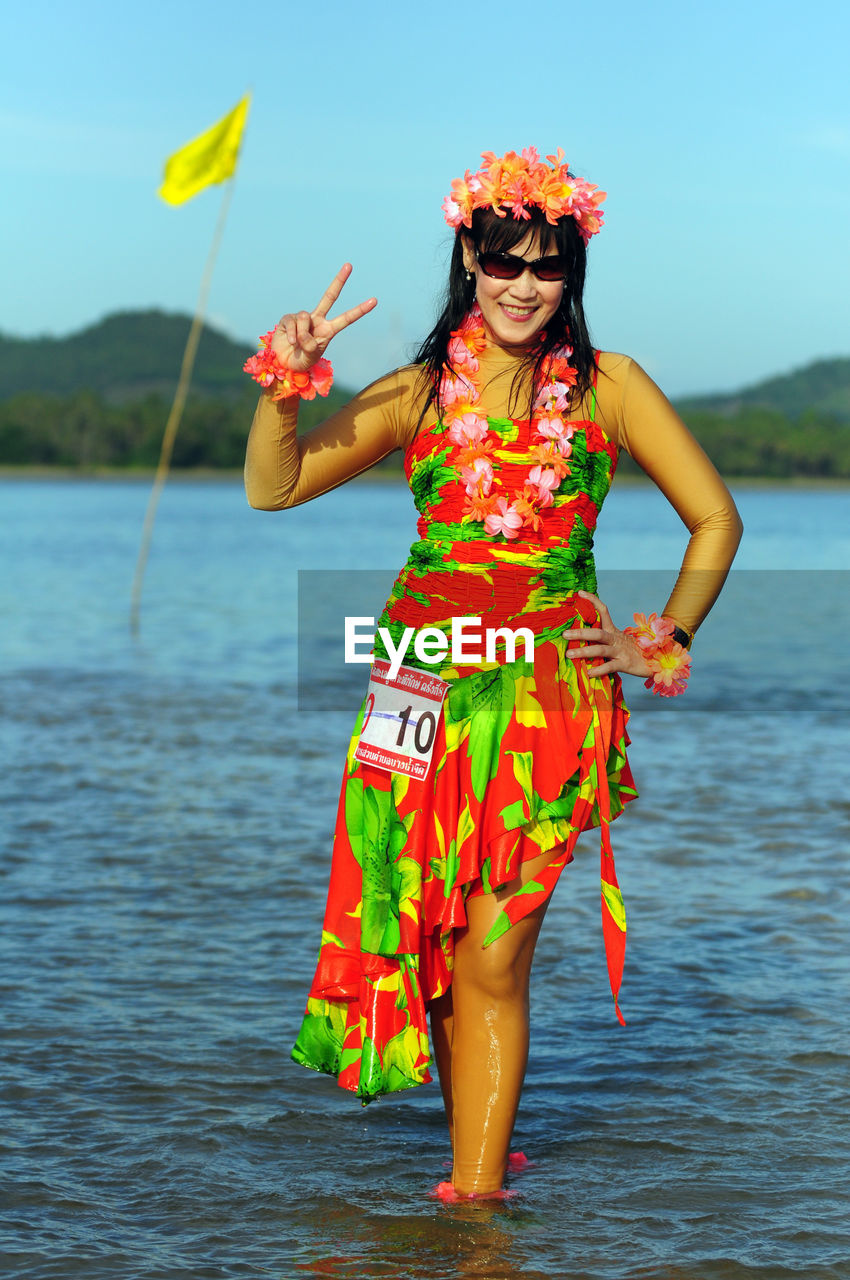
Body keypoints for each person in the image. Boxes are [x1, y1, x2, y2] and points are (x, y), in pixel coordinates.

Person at [243, 148, 743, 1201]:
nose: (524, 284)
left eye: (547, 265)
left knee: (491, 956)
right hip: (417, 692)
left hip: (547, 708)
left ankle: (473, 1207)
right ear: (469, 258)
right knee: (429, 939)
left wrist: (666, 634)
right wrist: (287, 383)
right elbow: (273, 486)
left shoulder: (609, 390)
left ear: (572, 273)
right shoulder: (419, 391)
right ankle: (477, 1143)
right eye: (505, 259)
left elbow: (714, 518)